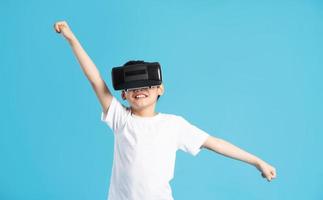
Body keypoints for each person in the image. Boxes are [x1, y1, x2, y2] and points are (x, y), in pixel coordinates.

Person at [53, 21, 277, 200]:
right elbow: (95, 80)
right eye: (132, 87)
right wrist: (72, 39)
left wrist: (257, 161)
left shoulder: (174, 125)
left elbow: (216, 143)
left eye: (146, 85)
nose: (139, 91)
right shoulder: (121, 118)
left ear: (160, 88)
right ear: (124, 94)